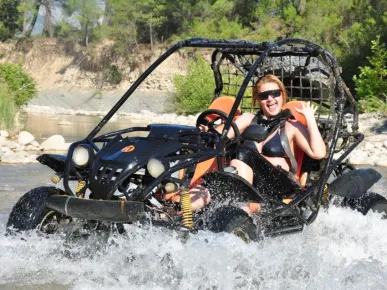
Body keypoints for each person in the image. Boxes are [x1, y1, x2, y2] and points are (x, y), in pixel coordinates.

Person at [190, 74, 326, 213]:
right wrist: (207, 132)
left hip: (279, 186)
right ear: (258, 100)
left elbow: (319, 153)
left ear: (282, 95)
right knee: (212, 184)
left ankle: (241, 214)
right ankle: (174, 213)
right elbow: (220, 136)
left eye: (275, 94)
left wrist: (310, 119)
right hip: (249, 183)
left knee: (243, 152)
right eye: (264, 95)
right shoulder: (248, 119)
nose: (270, 99)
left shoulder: (292, 126)